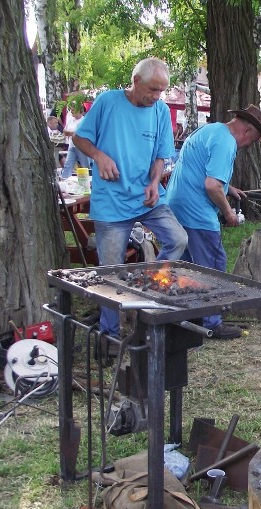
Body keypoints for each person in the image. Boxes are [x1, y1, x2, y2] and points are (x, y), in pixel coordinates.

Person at [73, 57, 188, 352]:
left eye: (161, 91)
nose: (156, 96)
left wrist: (153, 183)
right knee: (110, 270)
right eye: (152, 89)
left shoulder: (161, 110)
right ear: (136, 82)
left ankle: (149, 289)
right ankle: (110, 336)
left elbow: (161, 155)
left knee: (178, 238)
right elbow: (79, 138)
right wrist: (99, 156)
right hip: (111, 202)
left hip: (147, 197)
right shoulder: (108, 102)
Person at [166, 105, 261, 339]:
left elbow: (204, 171)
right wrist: (229, 213)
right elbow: (211, 186)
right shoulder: (227, 142)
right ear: (248, 131)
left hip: (177, 204)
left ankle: (187, 312)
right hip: (196, 210)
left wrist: (228, 187)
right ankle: (212, 322)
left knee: (187, 263)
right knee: (213, 264)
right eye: (252, 141)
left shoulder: (210, 130)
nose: (248, 146)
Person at [60, 102, 92, 179]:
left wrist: (70, 133)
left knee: (85, 165)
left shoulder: (84, 121)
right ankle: (64, 179)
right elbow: (66, 130)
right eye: (71, 110)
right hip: (72, 145)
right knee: (68, 164)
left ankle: (90, 180)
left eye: (74, 110)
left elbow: (82, 133)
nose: (72, 112)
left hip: (82, 146)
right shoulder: (70, 119)